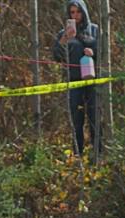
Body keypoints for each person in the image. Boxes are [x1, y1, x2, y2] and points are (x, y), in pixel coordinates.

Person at [52, 0, 100, 157]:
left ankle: (98, 154)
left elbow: (104, 54)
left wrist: (93, 53)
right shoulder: (63, 34)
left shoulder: (94, 30)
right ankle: (78, 154)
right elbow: (57, 57)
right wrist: (65, 38)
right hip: (74, 81)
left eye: (78, 12)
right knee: (76, 119)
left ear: (84, 12)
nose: (75, 15)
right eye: (72, 12)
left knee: (95, 117)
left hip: (93, 80)